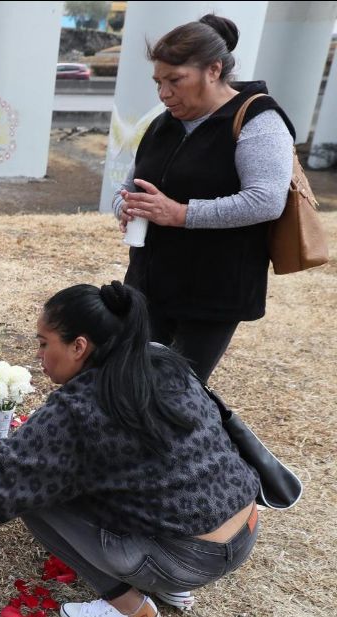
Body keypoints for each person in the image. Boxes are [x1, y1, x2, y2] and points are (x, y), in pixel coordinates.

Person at [0, 282, 260, 617]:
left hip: (188, 556)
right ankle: (173, 585)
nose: (38, 356)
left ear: (79, 346)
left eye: (44, 343)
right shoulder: (156, 362)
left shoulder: (81, 408)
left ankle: (132, 609)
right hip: (242, 527)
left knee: (36, 498)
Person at [114, 14, 295, 383]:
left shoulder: (257, 119)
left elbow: (266, 199)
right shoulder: (163, 122)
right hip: (149, 282)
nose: (164, 93)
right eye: (159, 82)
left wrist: (181, 214)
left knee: (179, 393)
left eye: (175, 81)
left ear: (213, 70)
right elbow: (131, 182)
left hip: (213, 293)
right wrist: (126, 206)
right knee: (129, 381)